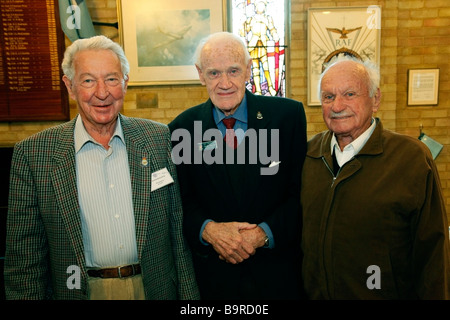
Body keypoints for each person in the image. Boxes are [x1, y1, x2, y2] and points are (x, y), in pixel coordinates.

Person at [4, 35, 200, 300]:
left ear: (125, 83)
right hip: (81, 291)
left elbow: (177, 233)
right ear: (70, 87)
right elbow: (24, 257)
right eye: (88, 80)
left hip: (153, 289)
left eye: (111, 78)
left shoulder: (156, 138)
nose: (102, 92)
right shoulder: (34, 153)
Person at [169, 31, 307, 299]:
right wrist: (208, 229)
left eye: (233, 71)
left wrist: (262, 234)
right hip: (213, 281)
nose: (224, 83)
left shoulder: (287, 117)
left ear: (248, 71)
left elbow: (301, 193)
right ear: (200, 74)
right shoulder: (181, 128)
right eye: (214, 73)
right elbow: (180, 202)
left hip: (278, 275)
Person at [301, 55, 450, 299]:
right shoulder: (308, 155)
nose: (337, 106)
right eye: (329, 97)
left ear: (375, 99)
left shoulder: (411, 158)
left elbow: (433, 254)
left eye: (350, 94)